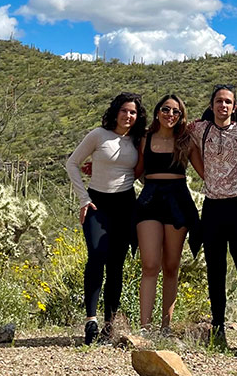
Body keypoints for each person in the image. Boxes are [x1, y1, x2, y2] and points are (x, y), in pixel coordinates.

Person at [65, 92, 147, 345]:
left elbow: (142, 174)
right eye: (124, 110)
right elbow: (72, 163)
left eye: (133, 112)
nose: (128, 116)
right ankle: (91, 319)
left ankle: (109, 325)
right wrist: (83, 199)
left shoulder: (137, 140)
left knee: (116, 265)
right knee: (96, 256)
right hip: (96, 204)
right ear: (116, 111)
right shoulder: (98, 135)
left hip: (125, 204)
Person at [187, 84, 237, 351]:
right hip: (213, 207)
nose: (223, 106)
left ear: (234, 106)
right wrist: (202, 172)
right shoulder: (200, 129)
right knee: (215, 270)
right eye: (219, 101)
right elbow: (178, 132)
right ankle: (218, 328)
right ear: (211, 105)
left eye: (228, 102)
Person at [135, 94, 203, 335]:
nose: (170, 115)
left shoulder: (186, 141)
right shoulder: (144, 139)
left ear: (181, 116)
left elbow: (206, 172)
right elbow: (135, 171)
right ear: (157, 112)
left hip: (178, 200)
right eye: (166, 109)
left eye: (176, 112)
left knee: (171, 265)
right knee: (150, 264)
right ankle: (145, 327)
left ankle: (166, 326)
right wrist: (101, 171)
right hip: (150, 199)